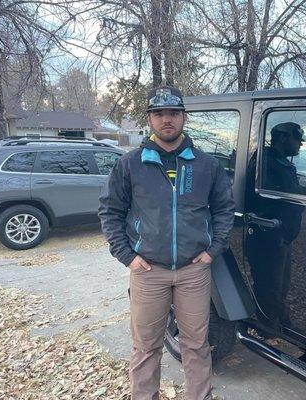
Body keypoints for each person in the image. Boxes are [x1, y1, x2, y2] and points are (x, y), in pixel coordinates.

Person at [98, 86, 235, 400]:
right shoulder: (130, 164)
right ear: (149, 119)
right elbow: (110, 211)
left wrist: (213, 250)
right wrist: (126, 256)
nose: (167, 120)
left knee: (196, 345)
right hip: (148, 271)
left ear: (183, 117)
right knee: (146, 347)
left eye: (173, 113)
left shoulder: (206, 164)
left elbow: (225, 209)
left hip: (193, 271)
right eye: (159, 113)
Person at [245, 122, 306, 327]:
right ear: (284, 138)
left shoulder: (281, 162)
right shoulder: (265, 162)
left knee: (282, 285)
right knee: (268, 286)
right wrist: (298, 195)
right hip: (267, 234)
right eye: (297, 139)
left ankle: (280, 322)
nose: (300, 145)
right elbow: (267, 196)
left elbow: (287, 190)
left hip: (282, 236)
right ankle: (268, 330)